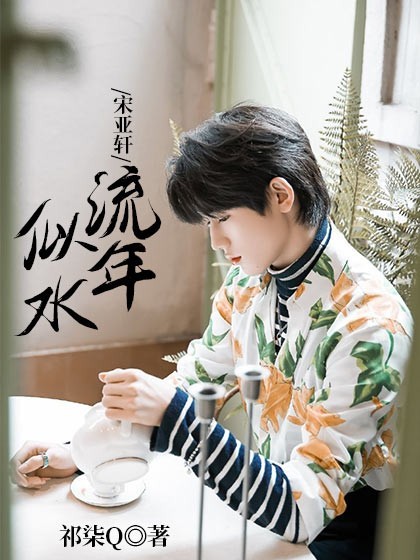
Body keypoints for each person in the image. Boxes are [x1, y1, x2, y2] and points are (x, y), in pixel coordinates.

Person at [10, 105, 413, 560]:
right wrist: (83, 452)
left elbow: (306, 510)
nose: (216, 242)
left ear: (281, 195)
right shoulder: (248, 282)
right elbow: (197, 381)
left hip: (340, 537)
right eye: (207, 223)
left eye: (222, 218)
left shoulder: (370, 327)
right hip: (264, 514)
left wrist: (178, 418)